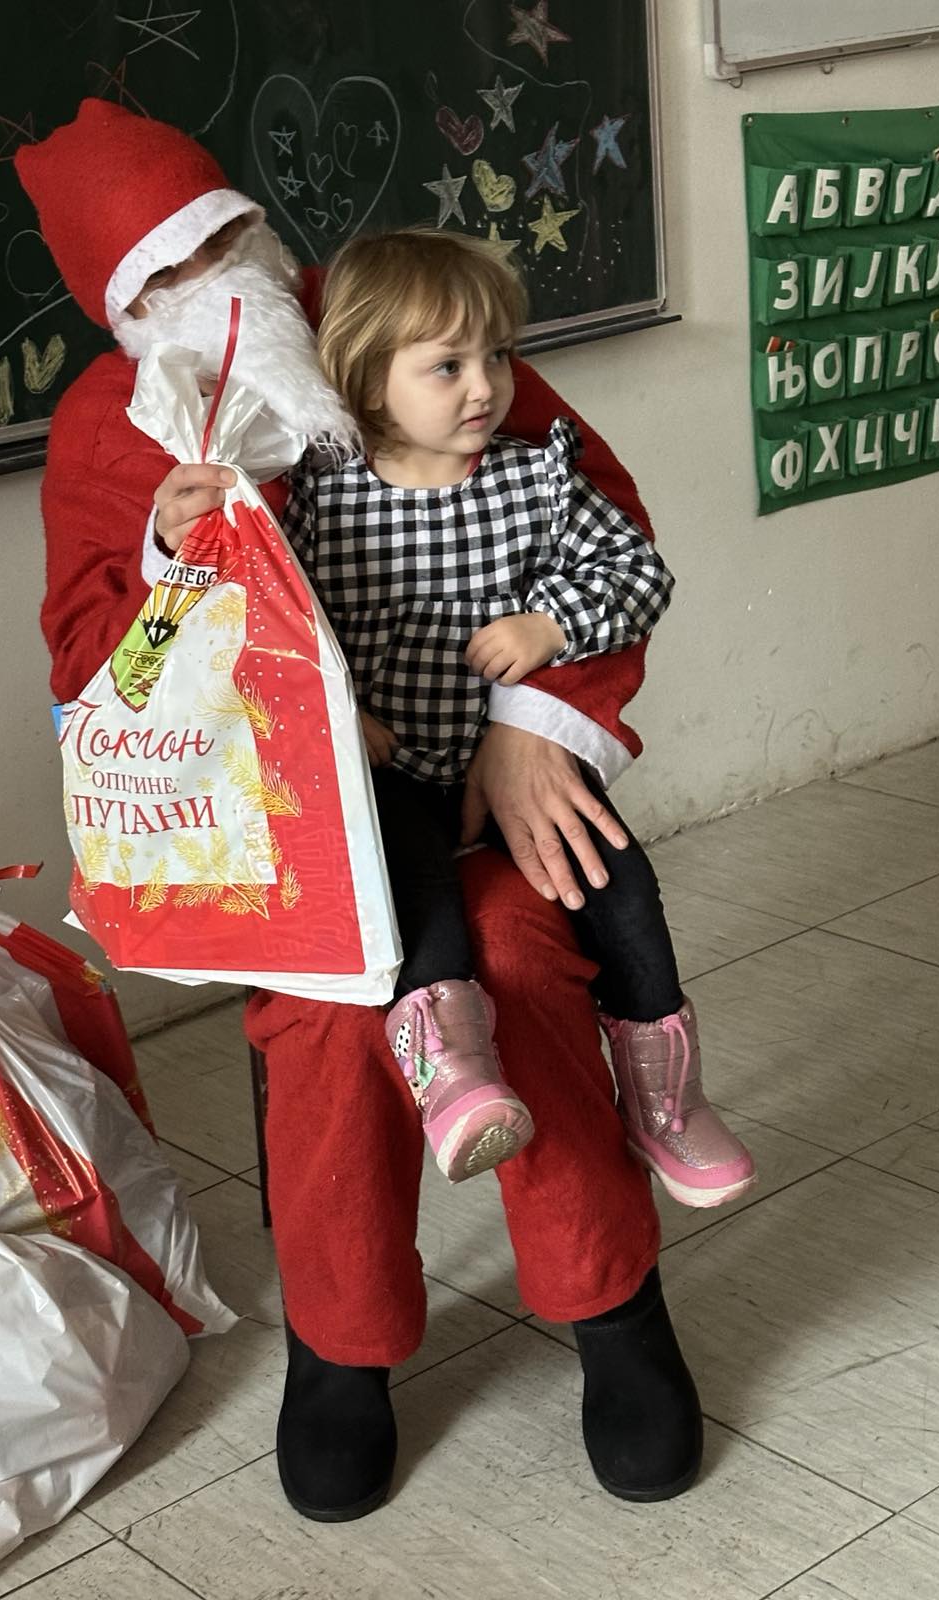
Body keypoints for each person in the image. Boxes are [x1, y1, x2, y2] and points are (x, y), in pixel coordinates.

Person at [16, 98, 719, 1523]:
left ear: (256, 231)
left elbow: (595, 514)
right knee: (335, 1021)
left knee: (522, 953)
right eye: (161, 276)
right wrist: (164, 558)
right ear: (121, 309)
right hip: (295, 840)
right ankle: (342, 1347)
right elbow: (97, 671)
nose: (207, 284)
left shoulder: (391, 321)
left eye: (220, 240)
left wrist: (533, 728)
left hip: (482, 781)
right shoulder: (105, 428)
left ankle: (611, 1300)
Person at [243, 227, 752, 1206]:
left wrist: (552, 623)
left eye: (499, 356)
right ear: (367, 378)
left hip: (504, 766)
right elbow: (265, 624)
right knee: (413, 886)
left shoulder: (539, 480)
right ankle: (455, 1079)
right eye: (447, 366)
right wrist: (339, 712)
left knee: (616, 881)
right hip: (389, 772)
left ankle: (665, 1098)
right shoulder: (317, 501)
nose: (486, 387)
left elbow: (638, 574)